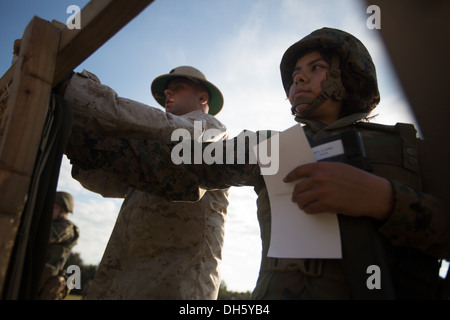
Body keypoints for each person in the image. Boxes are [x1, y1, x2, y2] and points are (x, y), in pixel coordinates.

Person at [65, 28, 450, 299]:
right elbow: (179, 165)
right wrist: (75, 138)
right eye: (295, 75)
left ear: (350, 74)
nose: (299, 79)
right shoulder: (273, 146)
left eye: (315, 68)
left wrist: (385, 200)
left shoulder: (412, 150)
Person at [62, 66, 229, 299]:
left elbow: (170, 128)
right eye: (166, 91)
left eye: (178, 88)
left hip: (178, 281)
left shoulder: (209, 128)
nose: (168, 94)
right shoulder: (152, 148)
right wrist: (80, 148)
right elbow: (110, 182)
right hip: (126, 273)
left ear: (202, 97)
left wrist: (79, 91)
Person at [38, 191, 79, 300]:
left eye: (54, 207)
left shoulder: (67, 227)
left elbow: (47, 235)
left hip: (45, 283)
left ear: (63, 211)